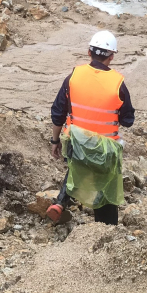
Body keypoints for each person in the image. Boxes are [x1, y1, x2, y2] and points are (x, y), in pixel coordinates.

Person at [46, 30, 134, 226]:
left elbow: (57, 112)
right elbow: (128, 120)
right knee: (105, 186)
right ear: (111, 57)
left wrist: (54, 141)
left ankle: (61, 203)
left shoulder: (73, 77)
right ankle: (105, 227)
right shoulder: (118, 83)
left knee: (78, 166)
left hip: (75, 144)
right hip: (105, 150)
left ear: (89, 53)